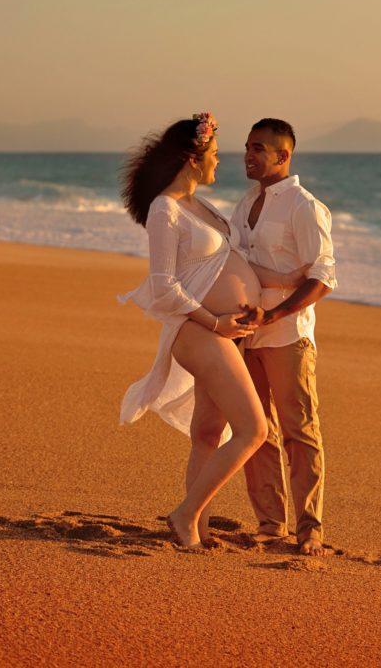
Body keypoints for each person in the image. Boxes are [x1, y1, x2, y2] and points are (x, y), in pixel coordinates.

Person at [115, 113, 303, 549]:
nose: (222, 161)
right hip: (201, 334)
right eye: (214, 153)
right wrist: (215, 321)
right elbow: (164, 285)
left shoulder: (202, 206)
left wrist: (293, 279)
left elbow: (225, 264)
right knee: (254, 430)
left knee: (206, 432)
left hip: (220, 334)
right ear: (192, 157)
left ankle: (195, 528)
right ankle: (185, 514)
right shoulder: (166, 208)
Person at [227, 118, 336, 556]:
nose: (249, 155)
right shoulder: (245, 203)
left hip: (288, 336)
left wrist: (275, 313)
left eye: (259, 148)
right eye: (247, 147)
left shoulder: (304, 207)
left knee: (299, 431)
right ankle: (271, 523)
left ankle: (310, 527)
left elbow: (323, 277)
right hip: (245, 334)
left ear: (283, 156)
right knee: (257, 431)